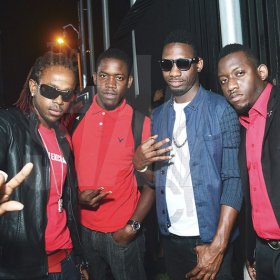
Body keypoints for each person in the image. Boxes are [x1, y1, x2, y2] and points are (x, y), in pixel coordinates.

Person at [133, 30, 243, 280]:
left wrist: (218, 246)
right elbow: (157, 179)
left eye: (182, 63)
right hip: (172, 239)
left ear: (199, 64)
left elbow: (234, 181)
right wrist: (140, 166)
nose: (174, 72)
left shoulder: (221, 109)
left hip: (212, 238)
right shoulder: (158, 116)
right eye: (167, 64)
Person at [0, 51, 88, 279]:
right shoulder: (10, 125)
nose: (59, 101)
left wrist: (79, 259)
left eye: (66, 94)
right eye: (50, 91)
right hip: (27, 268)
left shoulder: (63, 137)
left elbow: (64, 200)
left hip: (67, 260)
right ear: (33, 87)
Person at [71, 48, 155, 280]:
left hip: (122, 234)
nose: (110, 84)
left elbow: (154, 184)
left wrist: (132, 228)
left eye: (118, 77)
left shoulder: (140, 123)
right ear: (95, 78)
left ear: (128, 82)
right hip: (84, 232)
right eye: (104, 76)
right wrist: (76, 198)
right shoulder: (75, 118)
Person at [218, 43, 280, 280]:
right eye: (223, 80)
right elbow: (251, 196)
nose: (231, 86)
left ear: (261, 72)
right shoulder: (243, 124)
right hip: (263, 251)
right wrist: (252, 249)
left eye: (239, 73)